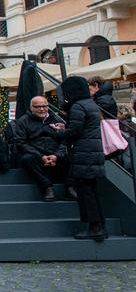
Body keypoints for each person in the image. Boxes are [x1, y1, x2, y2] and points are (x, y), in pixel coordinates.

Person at [61, 75, 107, 241]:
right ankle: (100, 225)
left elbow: (75, 131)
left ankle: (94, 228)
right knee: (92, 191)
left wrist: (60, 132)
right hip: (95, 152)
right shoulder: (92, 105)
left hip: (84, 153)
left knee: (85, 192)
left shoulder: (78, 106)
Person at [14, 96, 75, 202]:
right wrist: (41, 157)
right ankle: (47, 187)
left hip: (55, 153)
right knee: (26, 159)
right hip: (35, 154)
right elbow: (20, 142)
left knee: (74, 156)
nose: (42, 109)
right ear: (31, 108)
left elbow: (65, 140)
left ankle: (70, 188)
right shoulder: (23, 121)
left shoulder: (57, 119)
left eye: (44, 106)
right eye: (38, 107)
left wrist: (56, 155)